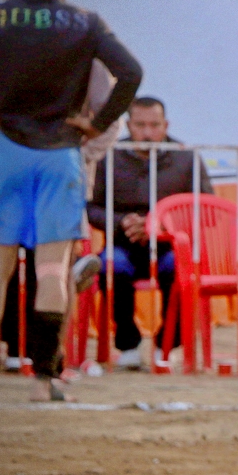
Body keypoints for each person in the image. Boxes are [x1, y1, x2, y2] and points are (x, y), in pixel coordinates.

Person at [0, 0, 141, 402]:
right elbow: (130, 73)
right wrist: (98, 124)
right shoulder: (85, 23)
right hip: (60, 153)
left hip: (6, 150)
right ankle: (44, 379)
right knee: (52, 268)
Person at [70, 95, 192, 370]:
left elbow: (202, 205)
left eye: (154, 125)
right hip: (122, 242)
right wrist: (122, 222)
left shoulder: (184, 157)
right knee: (110, 267)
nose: (147, 133)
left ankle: (167, 344)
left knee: (179, 271)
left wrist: (159, 225)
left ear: (166, 125)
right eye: (140, 125)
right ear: (128, 125)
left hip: (168, 245)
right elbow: (89, 206)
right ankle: (128, 344)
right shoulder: (108, 156)